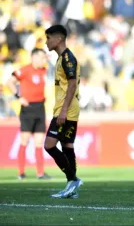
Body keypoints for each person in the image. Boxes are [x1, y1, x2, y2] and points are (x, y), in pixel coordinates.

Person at [44, 24, 83, 199]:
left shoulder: (67, 58)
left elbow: (72, 84)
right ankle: (72, 187)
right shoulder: (62, 58)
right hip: (69, 109)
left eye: (48, 38)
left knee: (49, 145)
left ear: (58, 39)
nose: (46, 42)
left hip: (65, 110)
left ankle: (72, 179)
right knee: (67, 146)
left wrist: (63, 111)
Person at [6, 48, 51, 180]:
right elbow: (9, 82)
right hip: (28, 108)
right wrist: (18, 96)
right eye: (42, 57)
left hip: (40, 107)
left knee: (39, 142)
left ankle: (40, 173)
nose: (44, 60)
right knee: (24, 140)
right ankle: (21, 172)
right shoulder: (25, 69)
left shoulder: (43, 70)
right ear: (35, 57)